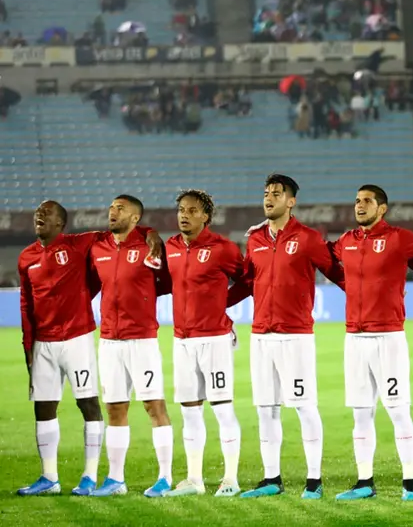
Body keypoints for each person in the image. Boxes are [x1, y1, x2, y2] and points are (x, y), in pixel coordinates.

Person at [16, 201, 160, 497]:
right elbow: (26, 303)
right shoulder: (26, 257)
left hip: (77, 338)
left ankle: (89, 476)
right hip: (43, 342)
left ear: (61, 223)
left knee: (89, 404)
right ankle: (49, 477)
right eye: (37, 214)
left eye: (48, 214)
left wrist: (150, 232)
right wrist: (28, 344)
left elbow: (125, 231)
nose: (40, 217)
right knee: (43, 408)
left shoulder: (80, 244)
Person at [226, 174, 345, 500]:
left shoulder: (308, 238)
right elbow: (248, 281)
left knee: (305, 407)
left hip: (296, 337)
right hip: (262, 335)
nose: (269, 198)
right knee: (266, 409)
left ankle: (314, 481)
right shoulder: (255, 239)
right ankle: (271, 479)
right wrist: (216, 305)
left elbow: (337, 273)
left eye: (276, 194)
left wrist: (368, 296)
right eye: (266, 193)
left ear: (291, 201)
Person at [331, 184, 413, 502]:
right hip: (354, 338)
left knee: (397, 410)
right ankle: (365, 482)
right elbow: (321, 255)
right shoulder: (346, 242)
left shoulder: (400, 239)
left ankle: (410, 485)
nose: (360, 205)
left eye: (367, 201)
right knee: (361, 414)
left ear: (382, 208)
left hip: (388, 337)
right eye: (357, 201)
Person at [89, 195, 174, 497]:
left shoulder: (148, 246)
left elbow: (167, 282)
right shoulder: (98, 247)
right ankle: (115, 480)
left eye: (120, 209)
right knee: (115, 408)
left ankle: (165, 477)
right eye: (111, 207)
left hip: (142, 340)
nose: (113, 212)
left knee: (154, 405)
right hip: (109, 340)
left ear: (135, 218)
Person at [163, 190, 244, 498]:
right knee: (190, 412)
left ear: (205, 216)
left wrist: (223, 303)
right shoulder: (169, 247)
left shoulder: (223, 248)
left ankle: (231, 479)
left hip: (214, 340)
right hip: (182, 340)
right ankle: (194, 480)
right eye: (181, 209)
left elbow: (247, 279)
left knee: (223, 410)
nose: (184, 214)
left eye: (192, 210)